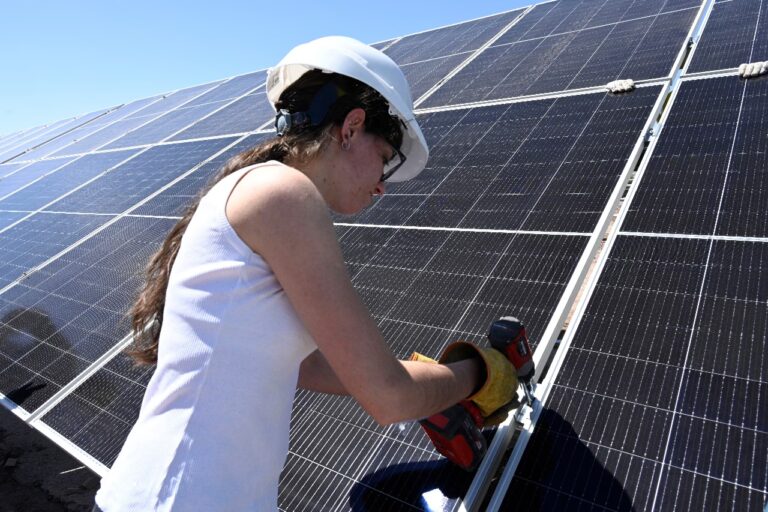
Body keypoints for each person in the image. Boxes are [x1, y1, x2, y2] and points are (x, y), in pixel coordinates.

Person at [94, 36, 517, 511]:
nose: (382, 185)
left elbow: (307, 365)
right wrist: (480, 372)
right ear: (352, 127)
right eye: (385, 159)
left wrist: (430, 381)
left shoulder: (258, 190)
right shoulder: (282, 193)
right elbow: (389, 398)